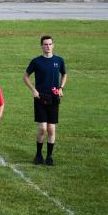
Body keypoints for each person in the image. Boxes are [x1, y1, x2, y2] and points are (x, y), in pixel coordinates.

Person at [23, 35, 67, 166]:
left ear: (53, 45)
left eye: (50, 44)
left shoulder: (59, 60)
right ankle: (38, 155)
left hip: (54, 97)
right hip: (40, 97)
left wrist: (61, 88)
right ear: (41, 46)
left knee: (51, 129)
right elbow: (25, 76)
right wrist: (33, 90)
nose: (48, 46)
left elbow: (64, 74)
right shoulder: (36, 61)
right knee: (42, 128)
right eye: (45, 44)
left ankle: (49, 156)